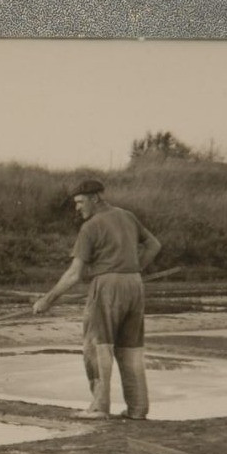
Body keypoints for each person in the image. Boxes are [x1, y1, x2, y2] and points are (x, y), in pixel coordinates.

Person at [32, 179, 162, 419]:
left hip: (107, 287)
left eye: (80, 202)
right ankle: (138, 409)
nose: (77, 208)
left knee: (98, 345)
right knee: (130, 348)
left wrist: (47, 300)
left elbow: (75, 273)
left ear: (95, 198)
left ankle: (100, 407)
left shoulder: (91, 227)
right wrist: (132, 268)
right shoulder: (127, 216)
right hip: (134, 283)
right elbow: (154, 245)